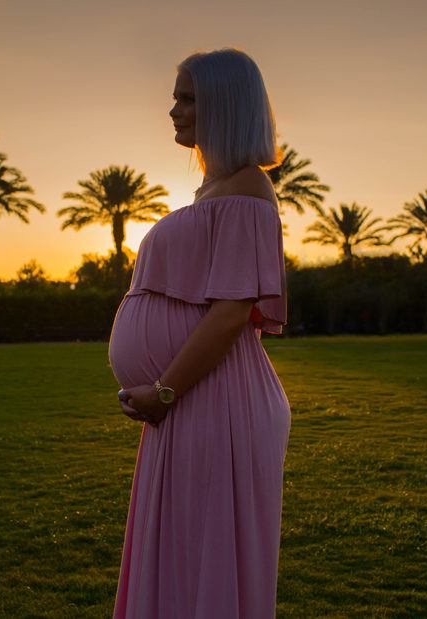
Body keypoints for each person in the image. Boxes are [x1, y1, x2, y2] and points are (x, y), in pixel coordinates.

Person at [109, 48, 290, 618]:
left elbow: (232, 312)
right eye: (176, 98)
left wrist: (165, 391)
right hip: (190, 402)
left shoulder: (248, 189)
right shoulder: (216, 191)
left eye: (187, 99)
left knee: (201, 563)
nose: (173, 110)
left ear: (224, 107)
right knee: (181, 561)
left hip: (214, 401)